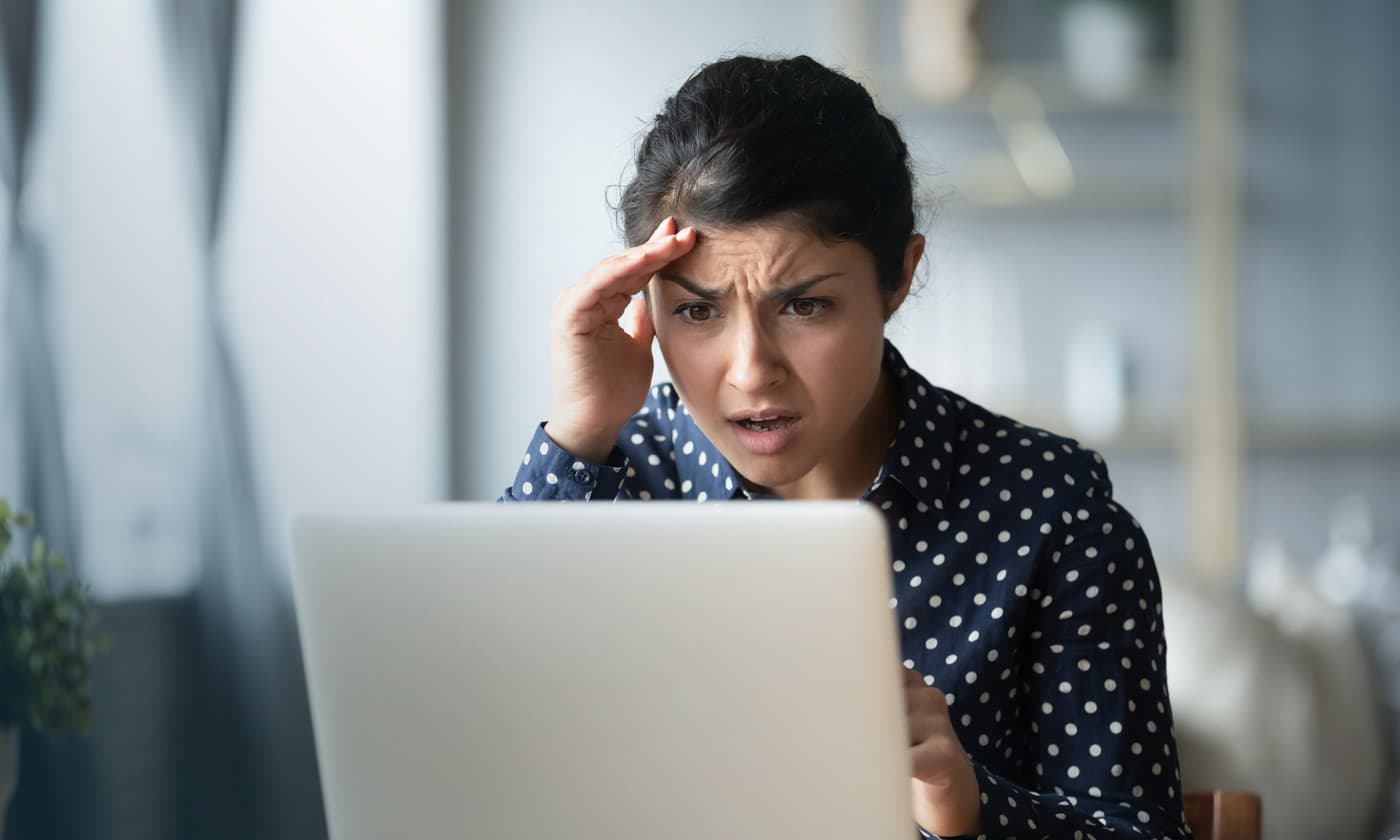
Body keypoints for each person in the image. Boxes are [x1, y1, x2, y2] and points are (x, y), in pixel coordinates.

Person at [501, 54, 1190, 840]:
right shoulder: (605, 478)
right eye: (696, 314)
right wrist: (581, 431)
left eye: (805, 306)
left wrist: (969, 809)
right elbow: (475, 758)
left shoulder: (1052, 513)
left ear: (898, 278)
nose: (751, 370)